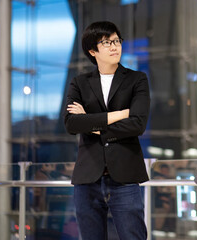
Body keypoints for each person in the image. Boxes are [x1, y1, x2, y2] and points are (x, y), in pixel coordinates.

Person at [63, 21, 150, 240]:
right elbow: (72, 124)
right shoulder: (79, 83)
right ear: (93, 51)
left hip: (125, 178)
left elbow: (137, 124)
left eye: (117, 41)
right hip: (87, 178)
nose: (114, 46)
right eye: (107, 42)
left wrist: (90, 122)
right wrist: (120, 114)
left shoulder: (136, 79)